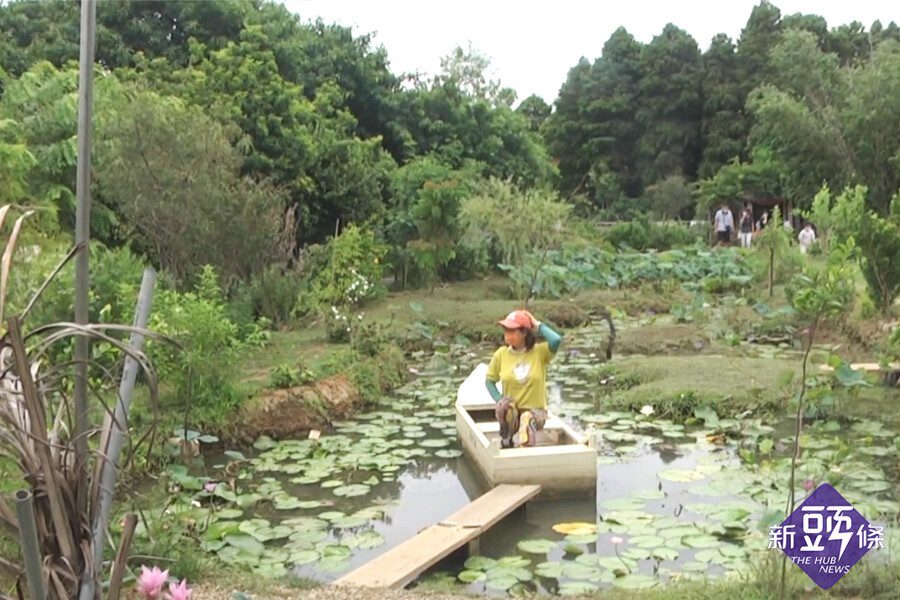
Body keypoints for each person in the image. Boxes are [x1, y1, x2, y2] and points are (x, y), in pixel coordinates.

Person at [485, 309, 562, 448]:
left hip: (536, 412)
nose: (507, 334)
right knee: (505, 407)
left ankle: (526, 449)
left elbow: (556, 340)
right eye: (506, 330)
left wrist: (537, 324)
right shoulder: (501, 354)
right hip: (513, 412)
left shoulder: (539, 352)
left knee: (527, 418)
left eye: (512, 330)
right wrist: (498, 398)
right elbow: (489, 381)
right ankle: (507, 441)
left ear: (524, 332)